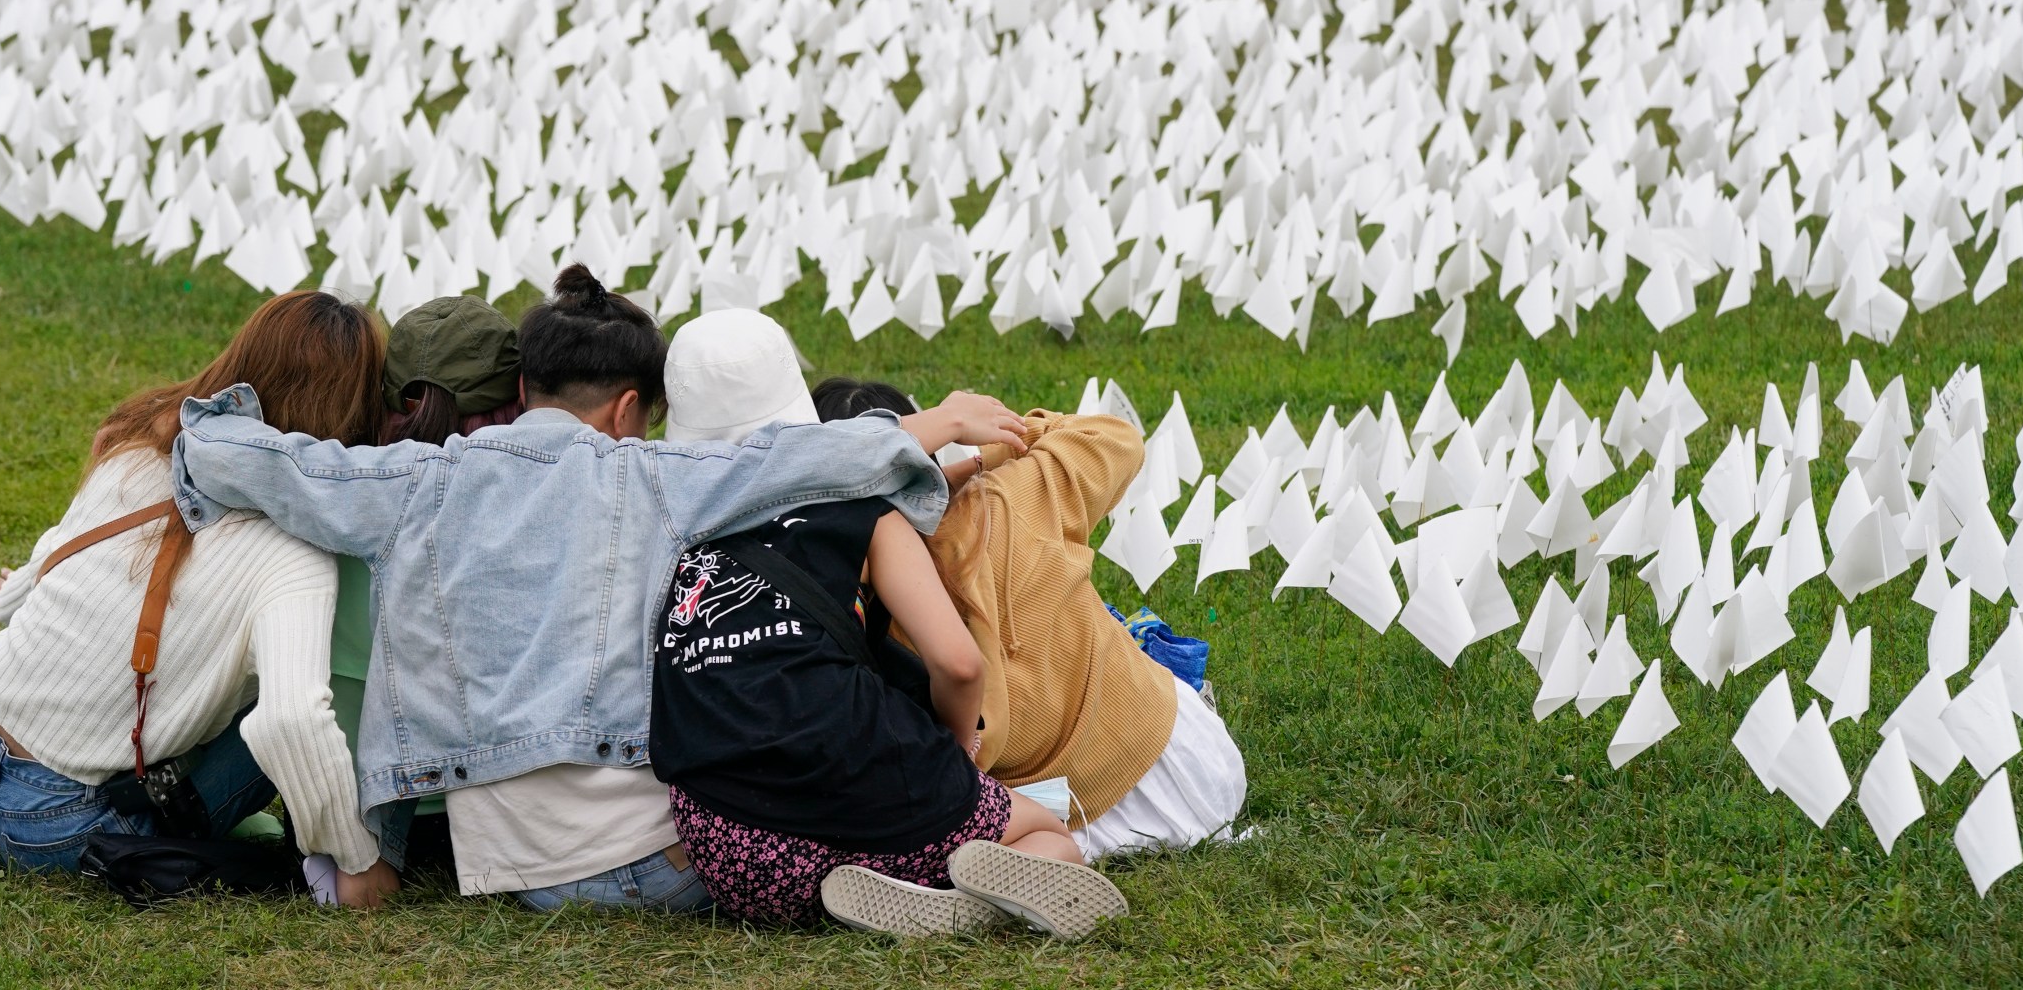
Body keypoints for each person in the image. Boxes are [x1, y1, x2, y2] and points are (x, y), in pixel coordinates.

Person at [166, 265, 1025, 914]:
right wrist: (939, 422)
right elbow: (789, 458)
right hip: (654, 865)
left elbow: (286, 466)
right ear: (625, 410)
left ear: (521, 389)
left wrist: (202, 431)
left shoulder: (415, 481)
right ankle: (927, 860)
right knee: (807, 784)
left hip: (503, 870)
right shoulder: (647, 476)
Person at [652, 310, 1126, 938]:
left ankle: (883, 885)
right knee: (1050, 835)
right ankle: (961, 904)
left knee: (853, 827)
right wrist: (957, 753)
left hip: (732, 857)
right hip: (865, 778)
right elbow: (959, 664)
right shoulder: (866, 514)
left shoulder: (677, 526)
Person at [0, 290, 400, 908]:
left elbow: (69, 540)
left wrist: (17, 597)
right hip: (58, 831)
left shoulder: (143, 444)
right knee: (304, 689)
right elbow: (292, 721)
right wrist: (358, 859)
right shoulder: (295, 551)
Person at [814, 377, 1248, 862]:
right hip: (1190, 762)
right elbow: (1116, 437)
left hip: (1061, 810)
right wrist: (984, 459)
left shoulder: (838, 592)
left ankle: (969, 869)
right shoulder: (1014, 494)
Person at [320, 294, 524, 886]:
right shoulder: (529, 512)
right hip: (492, 815)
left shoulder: (332, 494)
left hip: (360, 807)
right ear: (517, 398)